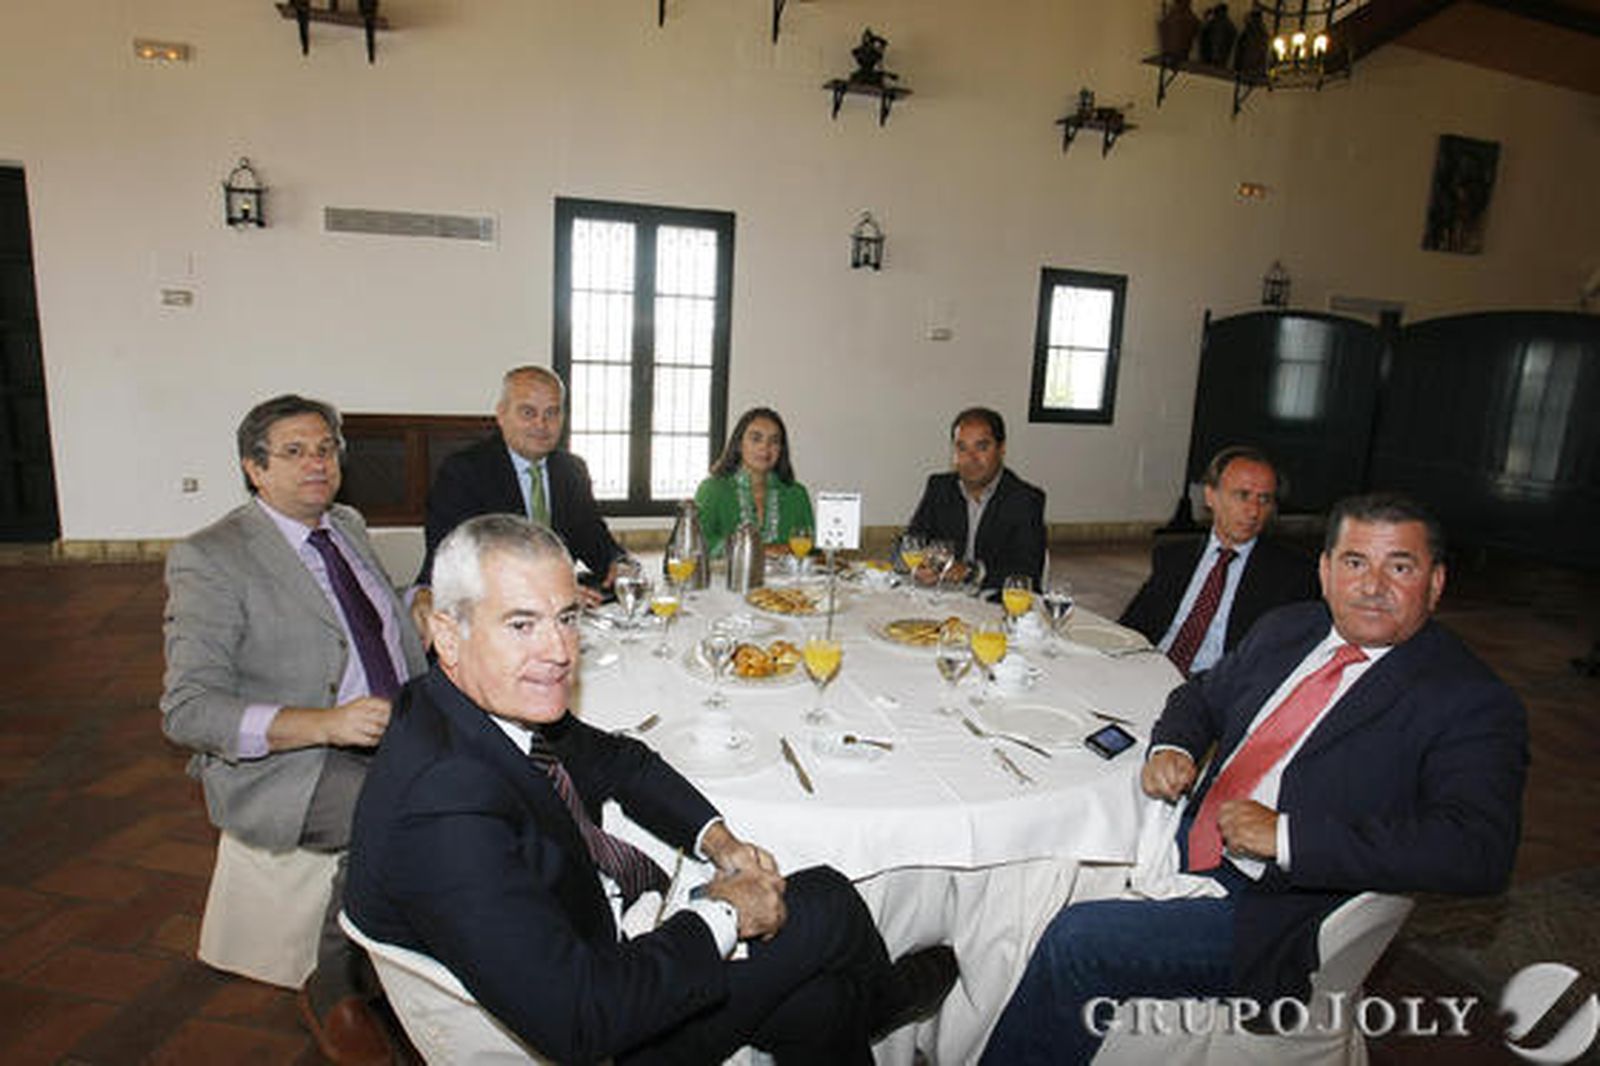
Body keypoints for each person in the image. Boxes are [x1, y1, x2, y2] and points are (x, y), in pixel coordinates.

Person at [347, 514, 958, 1064]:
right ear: (447, 635)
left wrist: (718, 841)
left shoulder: (458, 709)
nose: (558, 651)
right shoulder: (442, 806)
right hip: (604, 1028)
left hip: (587, 945)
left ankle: (864, 1005)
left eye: (567, 618)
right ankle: (885, 1000)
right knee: (826, 900)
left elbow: (622, 761)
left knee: (824, 1005)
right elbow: (583, 1020)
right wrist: (725, 912)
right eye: (521, 624)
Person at [981, 493, 1528, 1065]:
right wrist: (1174, 746)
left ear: (1435, 583)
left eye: (1400, 567)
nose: (1373, 586)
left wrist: (1287, 836)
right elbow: (1200, 697)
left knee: (1079, 941)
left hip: (1277, 908)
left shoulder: (1468, 700)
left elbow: (1479, 851)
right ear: (1325, 571)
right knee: (1024, 865)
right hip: (1187, 835)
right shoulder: (1289, 629)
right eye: (1355, 562)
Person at [161, 394, 428, 1065]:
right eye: (295, 452)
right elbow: (187, 708)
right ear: (255, 469)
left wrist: (415, 603)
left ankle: (428, 946)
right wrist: (325, 724)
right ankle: (333, 983)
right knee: (395, 814)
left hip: (393, 727)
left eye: (326, 449)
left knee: (502, 771)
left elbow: (359, 618)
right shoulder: (212, 557)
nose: (317, 463)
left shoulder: (346, 525)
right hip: (290, 760)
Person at [416, 365, 626, 617]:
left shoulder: (572, 470)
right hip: (485, 611)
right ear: (501, 414)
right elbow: (457, 562)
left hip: (561, 613)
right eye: (528, 412)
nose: (541, 424)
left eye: (552, 413)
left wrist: (618, 562)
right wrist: (547, 592)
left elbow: (592, 536)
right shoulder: (464, 471)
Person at [1120, 446, 1319, 675]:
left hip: (1217, 683)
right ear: (1210, 496)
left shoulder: (1291, 575)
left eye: (1264, 499)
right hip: (1153, 668)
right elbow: (1131, 627)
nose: (1254, 511)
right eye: (1242, 495)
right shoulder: (1173, 556)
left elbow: (1281, 659)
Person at [905, 406, 1045, 591]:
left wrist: (970, 572)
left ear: (1001, 449)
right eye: (962, 448)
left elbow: (1028, 573)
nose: (970, 458)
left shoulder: (1025, 500)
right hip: (943, 595)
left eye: (982, 447)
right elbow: (912, 542)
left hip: (995, 601)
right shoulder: (939, 487)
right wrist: (922, 565)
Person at [694, 406, 814, 558]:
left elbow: (809, 546)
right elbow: (698, 543)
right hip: (729, 574)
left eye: (774, 441)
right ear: (739, 444)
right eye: (756, 439)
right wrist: (759, 549)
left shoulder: (797, 494)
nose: (765, 447)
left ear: (781, 449)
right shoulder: (712, 489)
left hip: (787, 574)